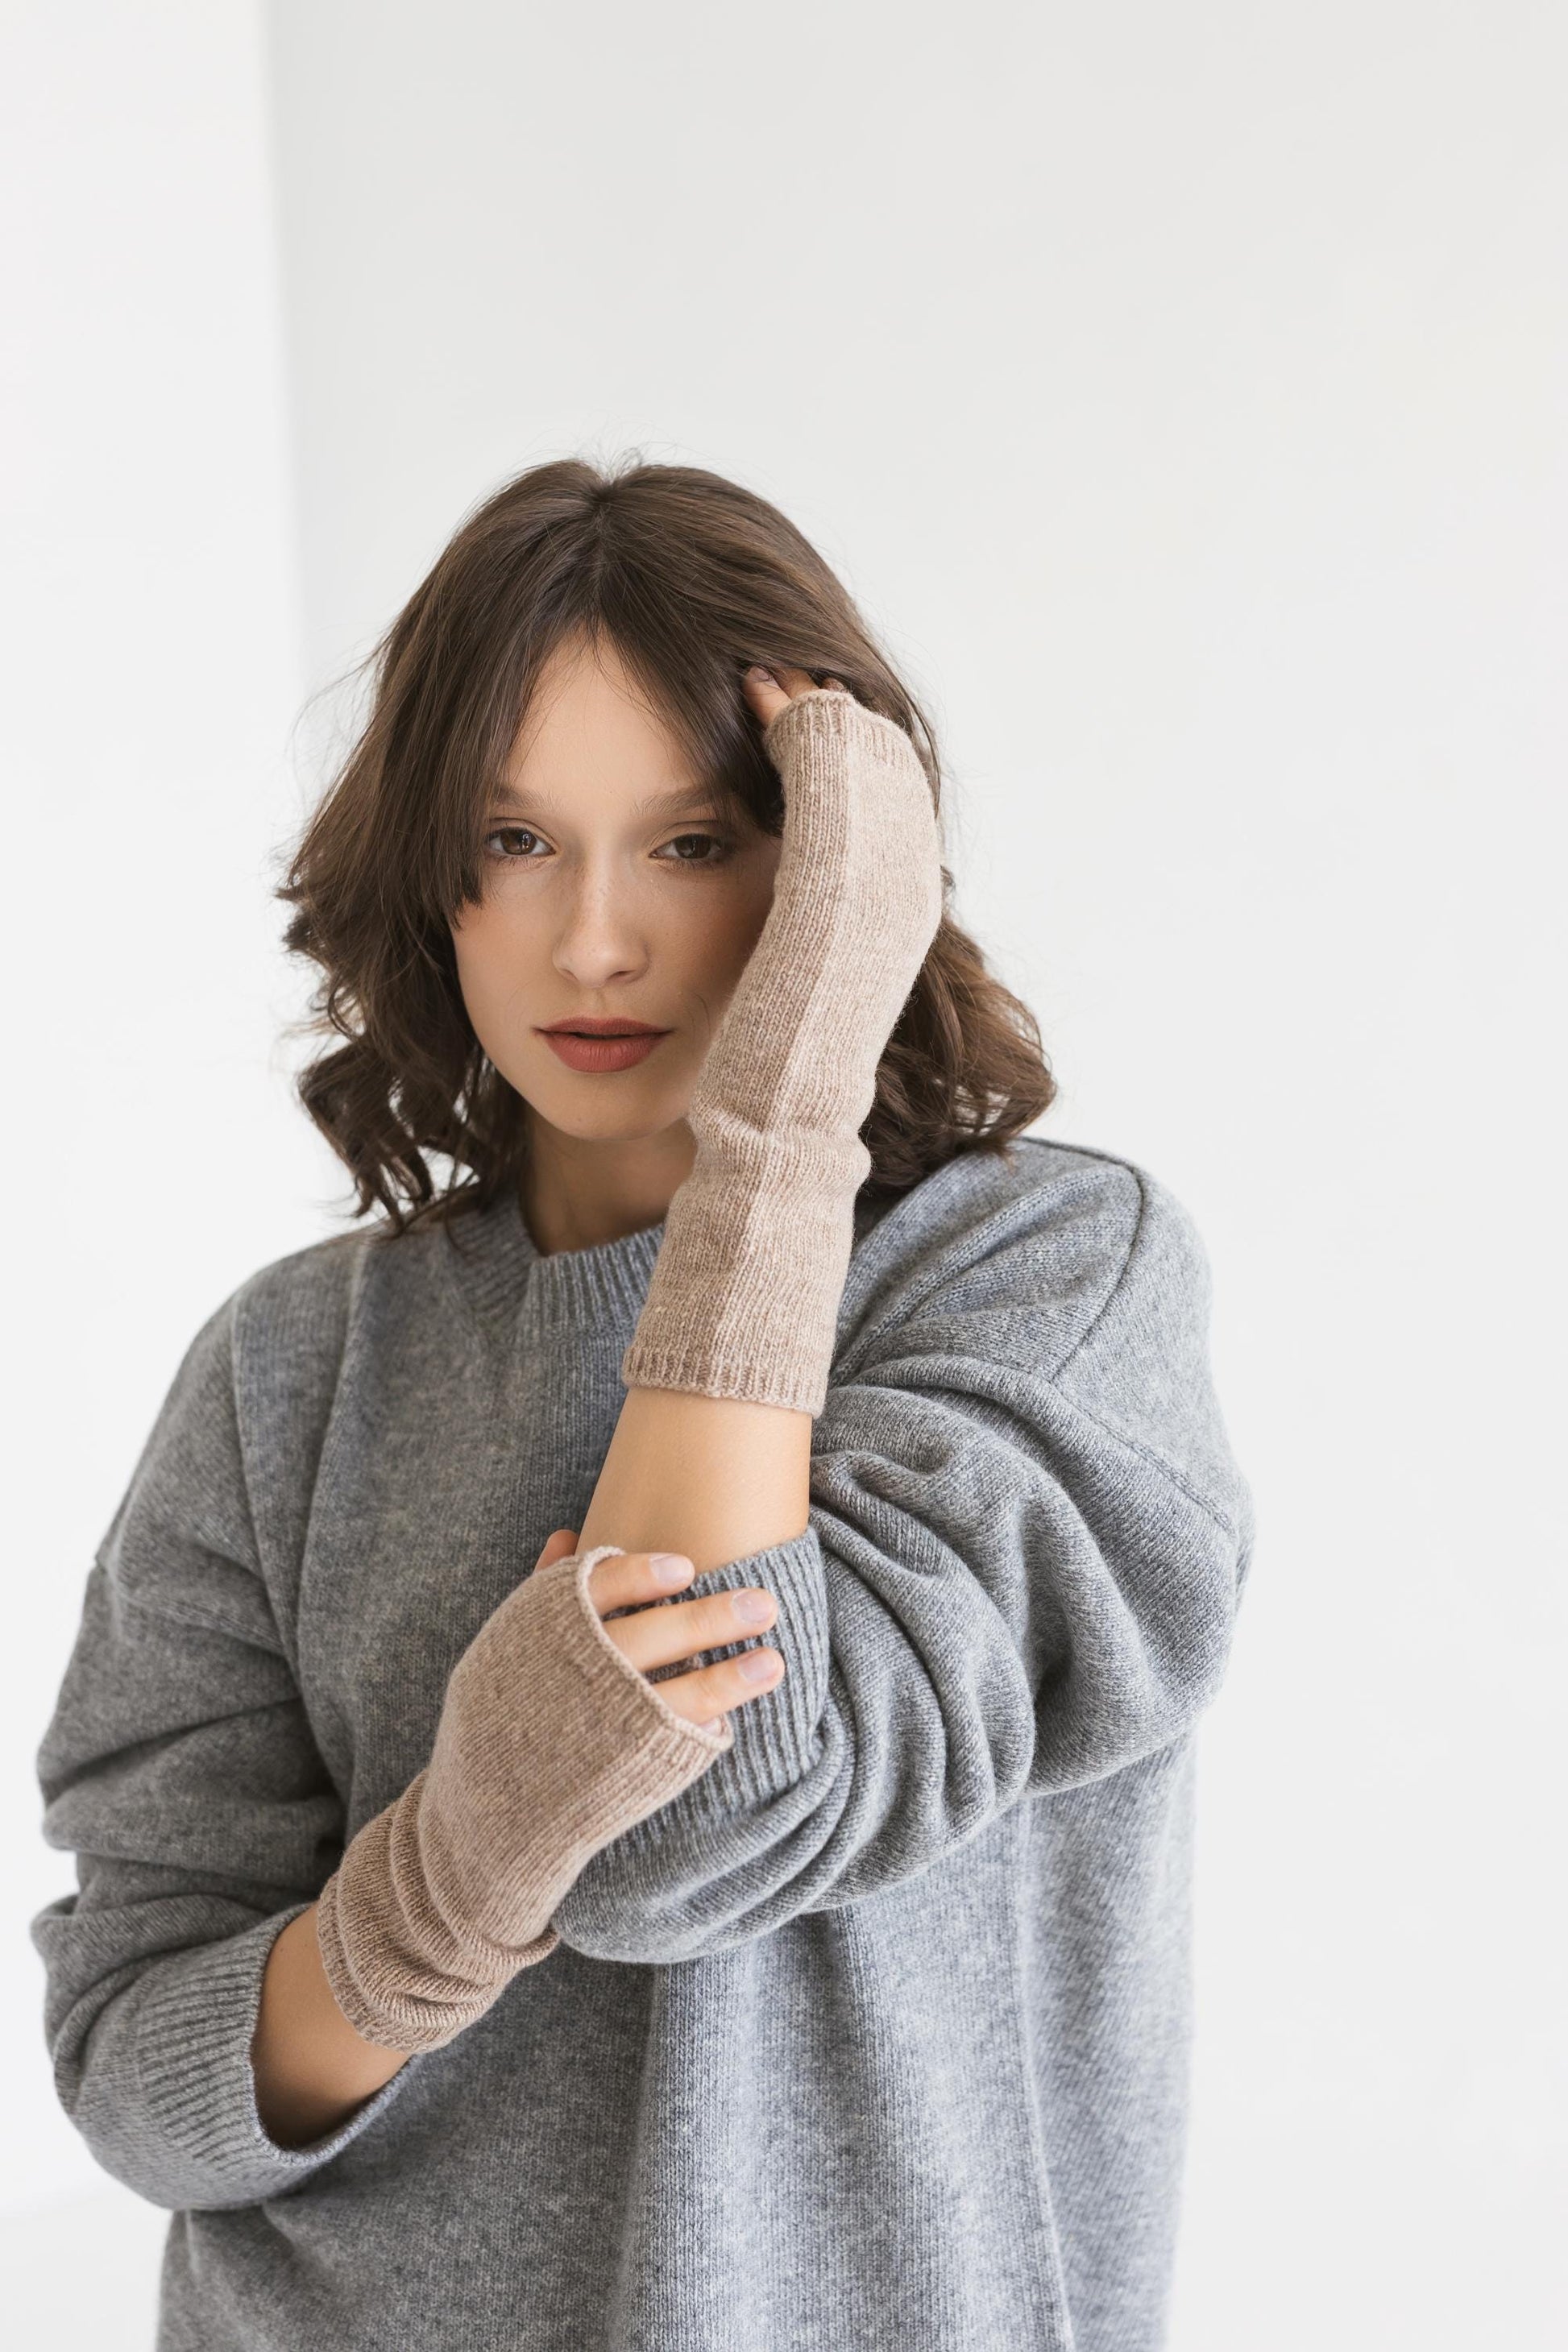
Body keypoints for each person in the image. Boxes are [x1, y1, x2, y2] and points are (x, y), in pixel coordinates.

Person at [31, 457, 1255, 2351]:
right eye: (515, 840)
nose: (594, 939)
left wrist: (781, 1119)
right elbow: (140, 2079)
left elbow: (717, 1823)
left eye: (692, 843)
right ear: (424, 867)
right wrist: (444, 1883)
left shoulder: (1045, 1282)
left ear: (840, 869)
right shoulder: (289, 1373)